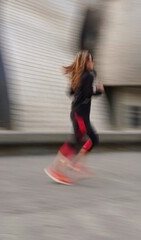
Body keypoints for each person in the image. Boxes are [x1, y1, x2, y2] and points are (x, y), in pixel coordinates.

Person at [44, 50, 104, 185]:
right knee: (76, 141)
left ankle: (74, 164)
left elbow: (70, 92)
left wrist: (82, 84)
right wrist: (99, 91)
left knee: (92, 139)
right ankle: (56, 169)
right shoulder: (87, 76)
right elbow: (88, 93)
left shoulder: (84, 75)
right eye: (91, 60)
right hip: (80, 115)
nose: (93, 62)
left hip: (79, 113)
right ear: (86, 62)